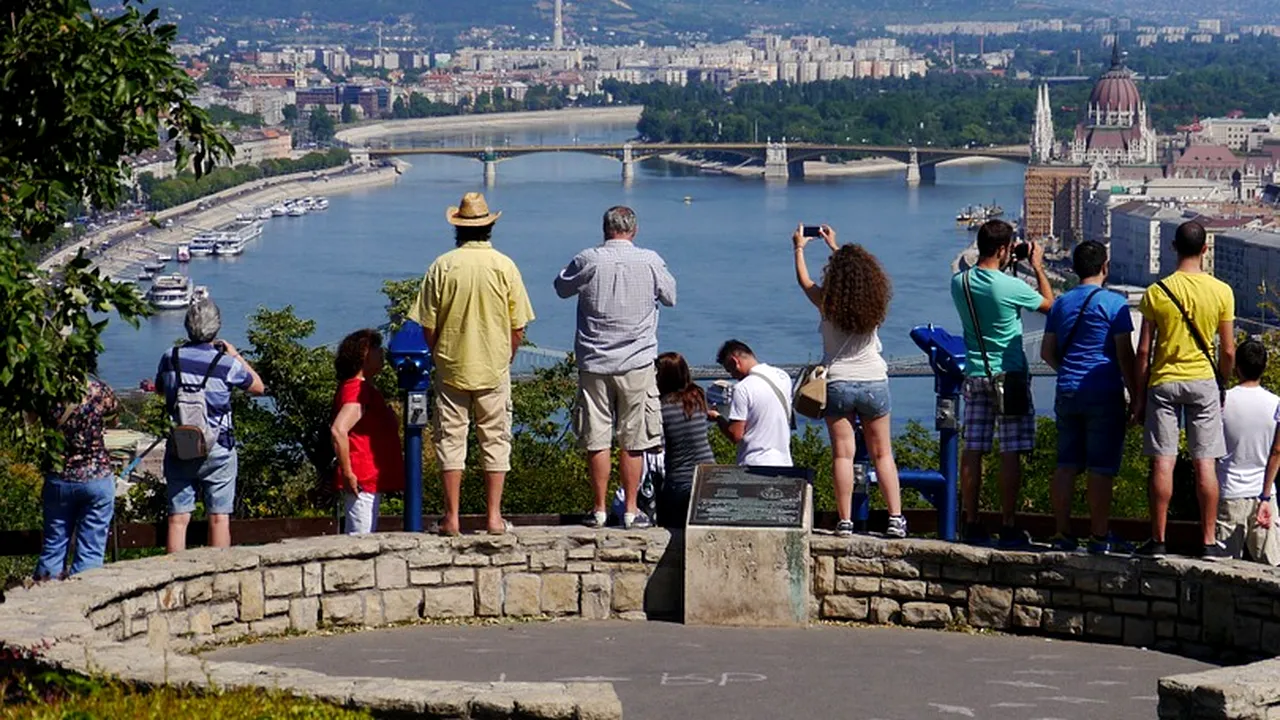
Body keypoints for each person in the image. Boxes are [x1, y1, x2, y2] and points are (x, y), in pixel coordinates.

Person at [409, 192, 534, 536]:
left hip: (451, 367)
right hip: (493, 368)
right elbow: (519, 324)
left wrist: (438, 354)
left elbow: (427, 324)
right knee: (496, 440)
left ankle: (452, 518)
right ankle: (494, 517)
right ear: (490, 226)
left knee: (451, 441)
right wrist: (505, 355)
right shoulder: (505, 266)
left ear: (457, 229)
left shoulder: (442, 266)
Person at [556, 206, 676, 529]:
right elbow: (671, 296)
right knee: (634, 439)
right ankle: (631, 510)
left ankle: (598, 509)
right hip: (637, 362)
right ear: (634, 230)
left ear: (604, 229)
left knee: (597, 437)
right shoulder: (651, 260)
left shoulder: (588, 259)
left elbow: (561, 287)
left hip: (594, 362)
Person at [792, 224, 907, 538]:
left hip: (838, 383)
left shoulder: (827, 302)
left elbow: (804, 282)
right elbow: (856, 271)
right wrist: (837, 247)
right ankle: (896, 518)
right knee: (883, 453)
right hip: (873, 380)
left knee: (843, 454)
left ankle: (845, 522)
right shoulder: (875, 304)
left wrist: (799, 248)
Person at [1132, 221, 1236, 559]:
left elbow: (1144, 350)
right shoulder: (1221, 291)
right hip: (1203, 380)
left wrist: (1138, 395)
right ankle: (1208, 541)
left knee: (1164, 460)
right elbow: (1230, 350)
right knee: (1205, 462)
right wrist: (1222, 379)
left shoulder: (1157, 292)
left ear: (1173, 247)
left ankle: (1158, 539)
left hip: (1163, 380)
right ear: (1205, 249)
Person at [950, 220, 1053, 548]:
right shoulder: (1010, 287)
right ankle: (1008, 523)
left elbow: (986, 277)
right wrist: (1036, 267)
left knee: (973, 449)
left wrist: (1009, 261)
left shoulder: (960, 283)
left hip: (975, 375)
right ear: (1003, 249)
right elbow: (1050, 305)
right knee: (1010, 451)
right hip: (1009, 376)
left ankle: (971, 520)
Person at [1040, 241, 1135, 555]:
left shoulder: (1061, 304)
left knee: (1066, 464)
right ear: (1105, 268)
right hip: (1103, 391)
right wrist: (1136, 396)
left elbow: (1046, 352)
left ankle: (1062, 532)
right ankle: (1098, 535)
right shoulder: (1115, 305)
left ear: (1074, 269)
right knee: (1100, 468)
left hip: (1067, 389)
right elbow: (1125, 355)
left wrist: (1067, 369)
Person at [155, 299, 265, 553]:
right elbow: (258, 387)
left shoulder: (170, 357)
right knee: (218, 516)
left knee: (178, 517)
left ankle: (173, 579)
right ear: (216, 328)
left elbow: (161, 390)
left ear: (187, 327)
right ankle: (217, 577)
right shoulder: (226, 364)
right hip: (218, 447)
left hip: (181, 444)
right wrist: (234, 353)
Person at [35, 374, 119, 579]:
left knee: (54, 545)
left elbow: (32, 421)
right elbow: (114, 419)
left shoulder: (46, 390)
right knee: (91, 549)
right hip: (97, 474)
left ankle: (45, 595)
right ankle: (85, 592)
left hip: (60, 476)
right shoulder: (100, 390)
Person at [330, 329, 404, 535]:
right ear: (363, 354)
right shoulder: (357, 390)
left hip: (369, 478)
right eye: (376, 348)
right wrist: (348, 473)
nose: (381, 353)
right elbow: (338, 430)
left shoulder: (365, 390)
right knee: (360, 539)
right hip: (362, 478)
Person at [1216, 339, 1280, 564]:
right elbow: (1277, 452)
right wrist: (1264, 495)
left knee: (1221, 570)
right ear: (1263, 367)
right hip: (1264, 494)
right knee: (1272, 567)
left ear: (1237, 367)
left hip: (1228, 490)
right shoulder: (1276, 404)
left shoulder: (1222, 401)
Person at [655, 352, 716, 528]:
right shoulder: (698, 397)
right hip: (708, 474)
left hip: (679, 479)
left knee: (670, 528)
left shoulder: (661, 407)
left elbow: (658, 445)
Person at [711, 340, 793, 467]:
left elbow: (735, 435)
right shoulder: (783, 376)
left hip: (754, 463)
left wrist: (717, 417)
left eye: (730, 370)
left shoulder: (742, 388)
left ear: (735, 362)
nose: (733, 376)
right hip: (784, 461)